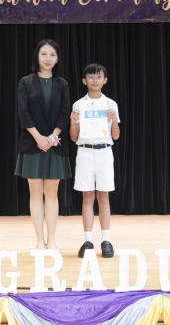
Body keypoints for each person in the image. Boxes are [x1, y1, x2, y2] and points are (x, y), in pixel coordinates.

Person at [15, 39, 72, 250]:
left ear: (57, 59)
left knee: (52, 193)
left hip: (55, 144)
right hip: (32, 144)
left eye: (52, 55)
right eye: (44, 54)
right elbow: (23, 113)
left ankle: (52, 240)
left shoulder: (62, 84)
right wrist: (38, 137)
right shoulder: (25, 82)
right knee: (35, 192)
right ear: (37, 56)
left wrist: (53, 136)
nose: (48, 58)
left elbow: (65, 113)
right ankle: (40, 240)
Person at [69, 64, 120, 259]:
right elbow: (73, 137)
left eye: (99, 76)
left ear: (105, 80)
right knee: (87, 197)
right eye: (90, 77)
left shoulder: (111, 104)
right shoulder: (78, 105)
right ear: (84, 81)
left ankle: (106, 240)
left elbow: (116, 136)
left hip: (105, 152)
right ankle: (88, 241)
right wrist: (73, 121)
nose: (95, 80)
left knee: (104, 197)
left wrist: (114, 120)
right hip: (85, 152)